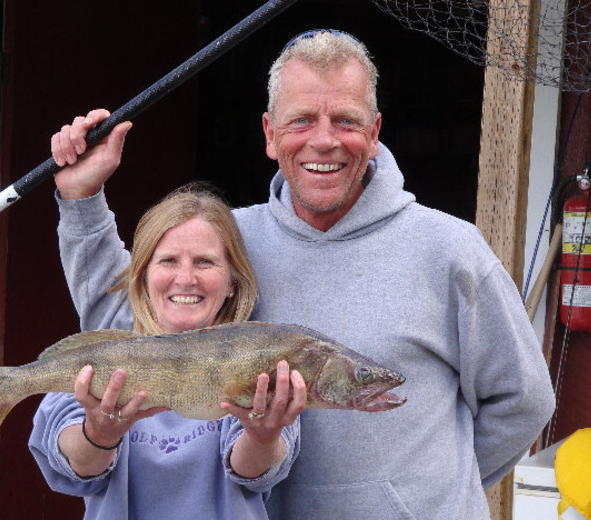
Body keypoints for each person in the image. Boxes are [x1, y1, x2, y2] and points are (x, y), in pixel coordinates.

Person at [43, 28, 556, 519]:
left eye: (347, 121)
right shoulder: (228, 243)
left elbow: (523, 401)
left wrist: (430, 498)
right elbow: (128, 321)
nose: (325, 141)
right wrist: (81, 198)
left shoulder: (451, 249)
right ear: (270, 134)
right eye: (302, 120)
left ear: (375, 133)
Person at [28, 182, 307, 519]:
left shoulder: (260, 360)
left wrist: (262, 437)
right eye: (169, 261)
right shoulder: (111, 353)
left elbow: (252, 473)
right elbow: (78, 465)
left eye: (205, 262)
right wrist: (99, 434)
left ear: (233, 281)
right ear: (143, 275)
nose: (185, 278)